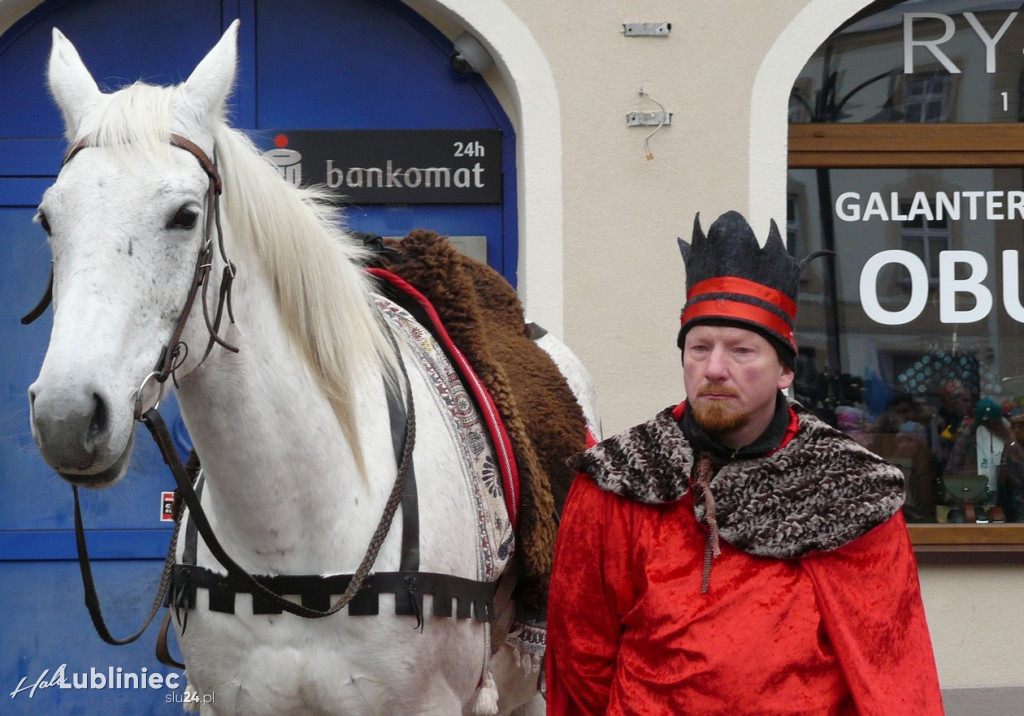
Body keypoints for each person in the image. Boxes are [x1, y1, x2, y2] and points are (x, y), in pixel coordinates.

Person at [545, 211, 943, 714]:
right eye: (699, 347)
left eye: (741, 350)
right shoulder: (624, 477)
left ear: (784, 370)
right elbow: (583, 650)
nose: (714, 368)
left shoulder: (849, 487)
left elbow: (890, 662)